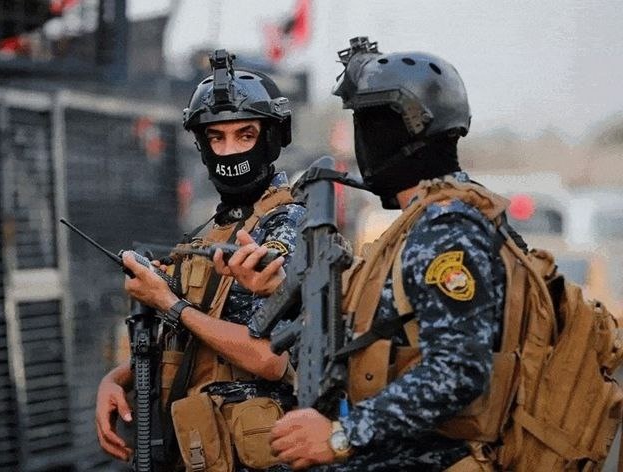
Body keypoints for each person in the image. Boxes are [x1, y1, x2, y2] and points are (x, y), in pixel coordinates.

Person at [268, 37, 509, 470]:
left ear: (399, 130)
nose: (363, 143)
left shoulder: (446, 230)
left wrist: (343, 435)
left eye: (366, 124)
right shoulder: (428, 220)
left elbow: (458, 370)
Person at [95, 49, 305, 472]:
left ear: (271, 138)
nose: (229, 152)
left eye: (245, 135)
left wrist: (168, 303)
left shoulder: (291, 225)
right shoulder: (212, 233)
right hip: (204, 447)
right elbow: (198, 344)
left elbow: (269, 359)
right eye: (216, 138)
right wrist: (115, 379)